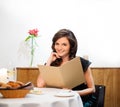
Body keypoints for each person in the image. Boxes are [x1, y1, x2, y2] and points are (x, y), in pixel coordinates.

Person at [37, 29, 96, 107]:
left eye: (64, 44)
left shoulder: (80, 62)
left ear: (71, 46)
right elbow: (40, 85)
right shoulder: (52, 63)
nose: (59, 48)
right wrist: (49, 61)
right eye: (57, 44)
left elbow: (92, 89)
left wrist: (73, 93)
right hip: (57, 101)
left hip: (78, 101)